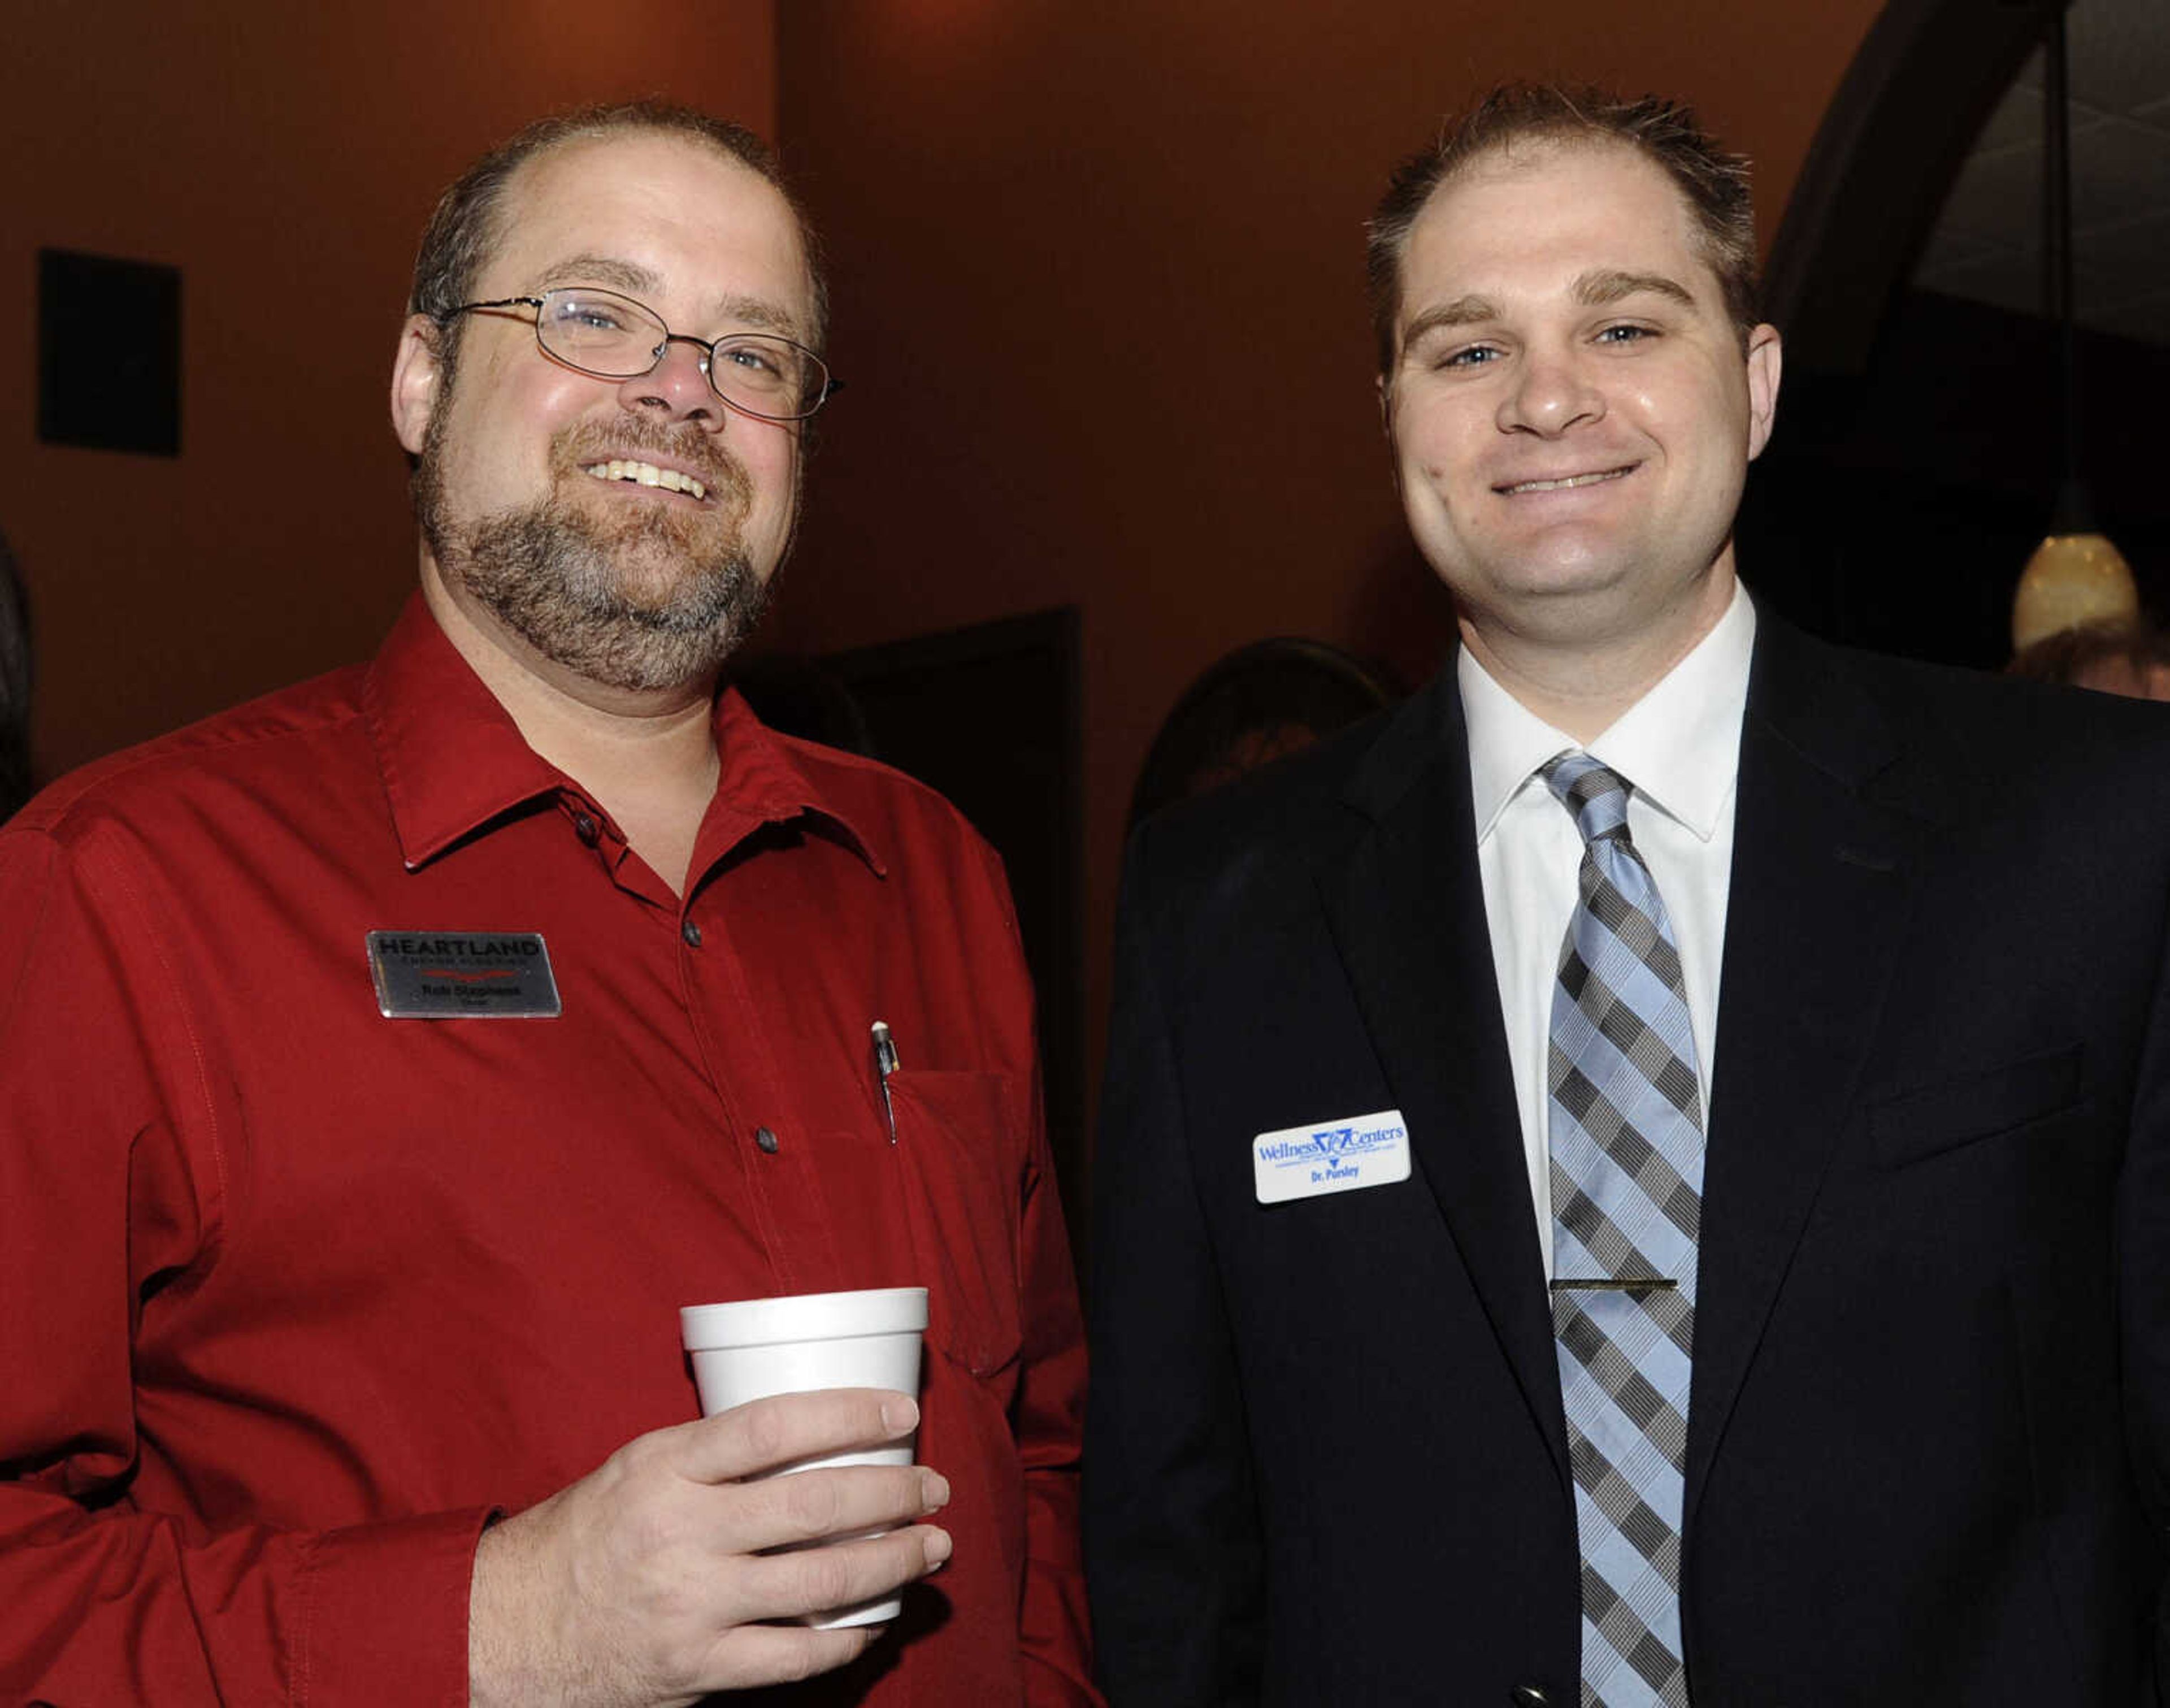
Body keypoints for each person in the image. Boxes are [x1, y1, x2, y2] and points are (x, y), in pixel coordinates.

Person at [1084, 83, 2170, 1707]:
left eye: (1624, 326)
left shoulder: (2094, 824)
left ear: (1755, 383)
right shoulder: (1217, 906)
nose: (1542, 401)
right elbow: (1174, 1530)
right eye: (1466, 349)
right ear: (1393, 411)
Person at [0, 103, 1095, 1706]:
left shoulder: (931, 872)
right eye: (594, 314)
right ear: (421, 381)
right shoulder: (118, 889)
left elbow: (1042, 1449)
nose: (682, 388)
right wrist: (497, 1624)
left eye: (755, 354)